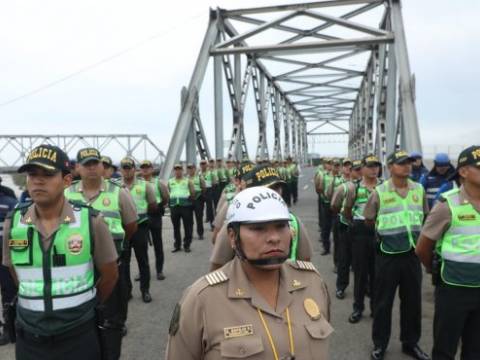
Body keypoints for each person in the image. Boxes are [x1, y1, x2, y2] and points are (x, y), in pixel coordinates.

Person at [166, 186, 333, 360]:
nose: (274, 237)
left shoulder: (313, 282)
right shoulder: (202, 299)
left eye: (281, 226)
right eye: (258, 228)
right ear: (232, 236)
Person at [2, 144, 118, 360]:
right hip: (30, 337)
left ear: (66, 180)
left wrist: (82, 304)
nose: (38, 180)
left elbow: (110, 274)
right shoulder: (14, 222)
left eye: (47, 174)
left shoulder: (91, 222)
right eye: (32, 174)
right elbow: (14, 272)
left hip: (79, 336)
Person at [65, 147, 138, 359]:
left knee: (112, 319)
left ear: (101, 166)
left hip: (110, 263)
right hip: (77, 266)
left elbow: (131, 225)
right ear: (77, 168)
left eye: (95, 163)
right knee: (82, 319)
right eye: (86, 164)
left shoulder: (118, 192)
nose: (91, 168)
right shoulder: (66, 194)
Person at [364, 150, 430, 360]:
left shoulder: (419, 189)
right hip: (388, 255)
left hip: (412, 255)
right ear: (390, 167)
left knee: (413, 302)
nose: (406, 166)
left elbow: (425, 216)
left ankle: (410, 343)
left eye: (409, 163)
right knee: (383, 303)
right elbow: (369, 219)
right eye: (401, 163)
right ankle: (380, 344)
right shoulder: (380, 192)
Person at [416, 145, 480, 360]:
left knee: (475, 350)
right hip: (453, 289)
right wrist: (435, 269)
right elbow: (423, 248)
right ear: (463, 172)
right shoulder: (447, 205)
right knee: (445, 349)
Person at [209, 165, 313, 271]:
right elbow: (217, 268)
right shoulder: (236, 223)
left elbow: (305, 265)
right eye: (268, 189)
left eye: (277, 188)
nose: (274, 194)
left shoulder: (294, 222)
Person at [342, 155, 382, 323]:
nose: (374, 169)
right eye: (370, 166)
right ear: (363, 168)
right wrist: (354, 223)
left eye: (376, 166)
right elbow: (347, 209)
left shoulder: (385, 187)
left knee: (377, 274)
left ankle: (375, 307)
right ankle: (358, 308)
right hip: (360, 231)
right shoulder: (354, 188)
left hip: (379, 231)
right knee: (360, 273)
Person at [119, 157, 157, 303]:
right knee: (124, 262)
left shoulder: (145, 185)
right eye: (124, 168)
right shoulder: (116, 187)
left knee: (143, 261)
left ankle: (145, 290)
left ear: (134, 169)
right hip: (123, 230)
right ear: (121, 170)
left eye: (129, 168)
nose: (127, 171)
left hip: (140, 227)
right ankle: (127, 291)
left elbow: (153, 204)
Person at [139, 160, 169, 280]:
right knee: (141, 246)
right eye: (143, 167)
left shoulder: (158, 183)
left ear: (151, 169)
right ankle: (143, 271)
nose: (145, 169)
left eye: (147, 167)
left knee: (158, 244)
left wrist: (159, 206)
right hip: (142, 217)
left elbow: (166, 197)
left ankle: (159, 270)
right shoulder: (138, 184)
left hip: (155, 216)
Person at [0, 188, 17, 345]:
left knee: (8, 291)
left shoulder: (10, 203)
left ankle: (9, 328)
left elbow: (15, 232)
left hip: (3, 254)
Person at [168, 164, 195, 253]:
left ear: (182, 170)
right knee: (176, 227)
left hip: (185, 206)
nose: (177, 171)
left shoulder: (188, 181)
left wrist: (188, 201)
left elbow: (192, 193)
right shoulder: (170, 181)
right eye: (176, 169)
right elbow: (168, 192)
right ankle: (177, 245)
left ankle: (187, 245)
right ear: (174, 171)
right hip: (174, 206)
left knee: (187, 226)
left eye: (179, 169)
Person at [187, 164, 206, 240]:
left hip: (198, 199)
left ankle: (200, 234)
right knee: (189, 219)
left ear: (194, 169)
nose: (190, 170)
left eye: (191, 168)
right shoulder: (186, 178)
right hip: (189, 199)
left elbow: (204, 188)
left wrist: (200, 195)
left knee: (199, 217)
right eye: (189, 168)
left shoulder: (199, 177)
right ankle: (190, 234)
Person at [200, 160, 215, 231]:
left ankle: (212, 226)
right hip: (201, 191)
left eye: (204, 164)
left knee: (210, 209)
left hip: (208, 191)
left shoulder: (210, 173)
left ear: (206, 165)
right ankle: (200, 228)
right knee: (200, 210)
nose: (203, 165)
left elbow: (214, 182)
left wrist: (211, 189)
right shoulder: (198, 173)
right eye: (201, 164)